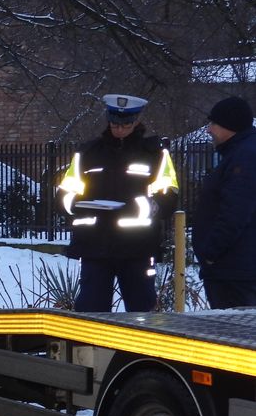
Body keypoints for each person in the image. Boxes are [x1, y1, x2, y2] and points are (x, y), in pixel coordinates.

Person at [57, 94, 178, 312]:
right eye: (115, 123)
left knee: (141, 315)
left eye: (126, 124)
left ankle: (135, 348)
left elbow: (168, 196)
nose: (120, 129)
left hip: (137, 247)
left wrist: (143, 207)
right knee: (91, 313)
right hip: (94, 244)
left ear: (137, 121)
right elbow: (66, 192)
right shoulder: (88, 153)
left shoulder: (155, 154)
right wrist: (74, 203)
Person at [193, 96, 256, 309]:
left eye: (213, 124)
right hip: (235, 268)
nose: (209, 130)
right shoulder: (240, 153)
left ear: (230, 125)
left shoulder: (244, 158)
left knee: (233, 333)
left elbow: (235, 212)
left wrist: (210, 252)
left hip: (235, 271)